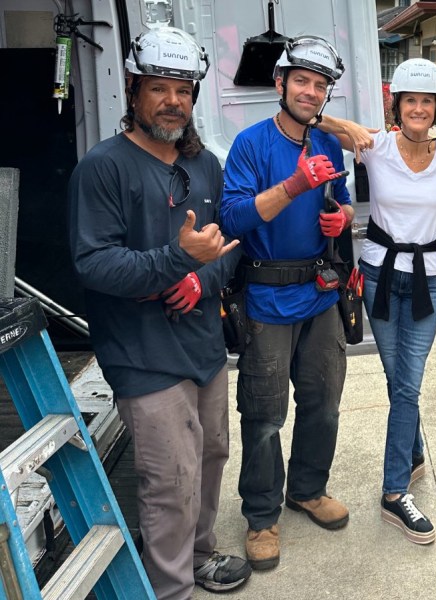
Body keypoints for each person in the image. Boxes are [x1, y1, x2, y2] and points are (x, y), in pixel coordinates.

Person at [68, 27, 250, 599]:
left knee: (211, 456)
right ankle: (171, 589)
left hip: (203, 348)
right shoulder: (103, 167)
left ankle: (199, 557)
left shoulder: (206, 165)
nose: (173, 101)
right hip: (142, 355)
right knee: (169, 480)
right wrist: (178, 259)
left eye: (184, 90)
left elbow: (228, 247)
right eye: (159, 88)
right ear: (132, 88)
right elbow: (94, 266)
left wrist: (200, 277)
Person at [329, 58, 436, 545]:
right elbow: (310, 120)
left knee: (406, 384)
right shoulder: (374, 146)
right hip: (377, 274)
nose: (418, 109)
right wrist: (349, 124)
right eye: (410, 100)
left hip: (428, 280)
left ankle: (395, 486)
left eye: (427, 101)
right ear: (397, 105)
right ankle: (406, 467)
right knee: (400, 383)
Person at [219, 35, 354, 572]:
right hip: (266, 299)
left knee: (323, 404)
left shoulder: (329, 145)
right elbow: (233, 219)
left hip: (320, 295)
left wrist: (340, 218)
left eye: (320, 86)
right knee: (266, 414)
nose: (310, 91)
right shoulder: (251, 145)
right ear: (280, 83)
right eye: (302, 80)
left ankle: (307, 488)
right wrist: (295, 185)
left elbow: (341, 202)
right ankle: (260, 515)